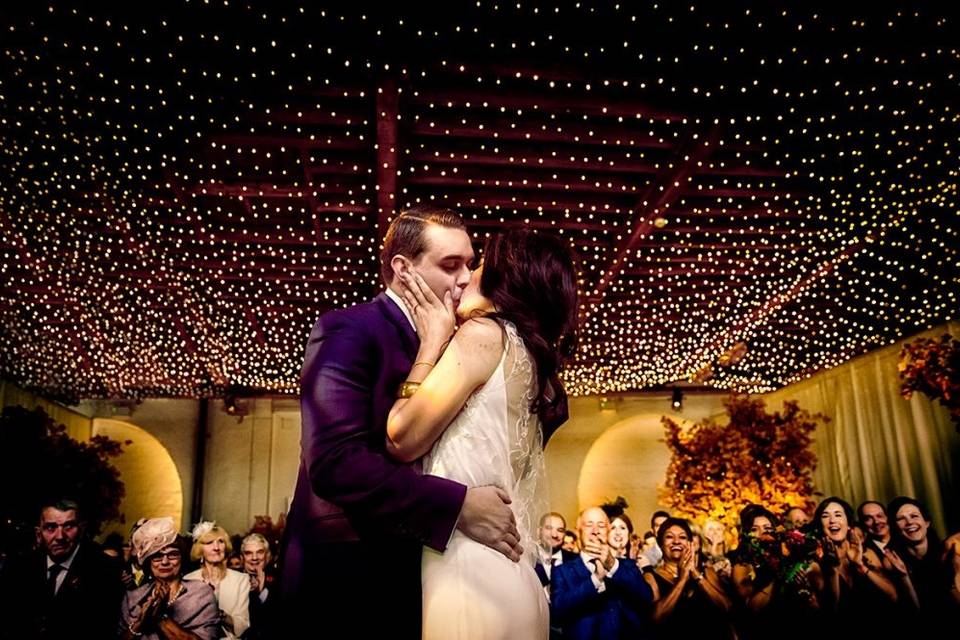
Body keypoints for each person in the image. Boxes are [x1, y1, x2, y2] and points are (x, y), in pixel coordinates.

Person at [278, 206, 521, 638]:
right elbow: (335, 462)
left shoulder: (461, 340)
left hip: (427, 573)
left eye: (469, 262)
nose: (466, 277)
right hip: (348, 578)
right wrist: (458, 505)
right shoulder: (349, 329)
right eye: (450, 265)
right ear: (403, 269)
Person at [386, 228, 579, 639]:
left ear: (506, 280)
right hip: (515, 575)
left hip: (468, 570)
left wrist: (430, 346)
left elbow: (401, 437)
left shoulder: (484, 336)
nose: (465, 278)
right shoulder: (535, 367)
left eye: (478, 267)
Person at [0, 499, 122, 639]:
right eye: (51, 528)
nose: (60, 536)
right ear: (38, 533)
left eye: (68, 527)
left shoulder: (104, 570)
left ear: (81, 529)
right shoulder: (18, 568)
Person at [550, 506, 653, 639]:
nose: (595, 531)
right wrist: (596, 580)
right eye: (589, 525)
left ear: (608, 530)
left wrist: (612, 564)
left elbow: (646, 598)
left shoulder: (627, 566)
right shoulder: (562, 571)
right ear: (578, 531)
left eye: (601, 525)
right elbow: (557, 611)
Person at [120, 517, 220, 640]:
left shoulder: (201, 592)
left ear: (182, 558)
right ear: (148, 562)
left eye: (173, 555)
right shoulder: (133, 597)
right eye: (157, 556)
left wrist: (160, 617)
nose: (165, 561)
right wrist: (140, 623)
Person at [650, 518, 733, 639]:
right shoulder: (651, 576)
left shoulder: (706, 572)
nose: (676, 541)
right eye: (669, 537)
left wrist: (696, 574)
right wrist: (682, 579)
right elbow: (655, 619)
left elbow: (727, 607)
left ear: (690, 543)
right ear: (660, 543)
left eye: (682, 537)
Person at [183, 522, 250, 639]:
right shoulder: (188, 580)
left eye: (221, 541)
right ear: (200, 549)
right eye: (209, 543)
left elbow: (243, 625)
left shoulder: (241, 580)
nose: (216, 547)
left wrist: (220, 615)